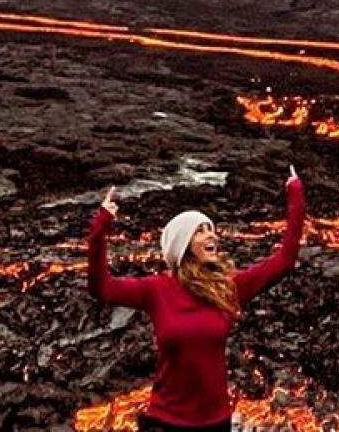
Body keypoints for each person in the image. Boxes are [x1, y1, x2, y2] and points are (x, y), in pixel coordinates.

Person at [87, 165, 306, 431]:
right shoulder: (155, 289)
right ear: (183, 244)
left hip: (215, 423)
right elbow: (102, 287)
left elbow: (285, 260)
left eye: (210, 229)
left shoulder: (228, 287)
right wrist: (100, 227)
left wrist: (295, 193)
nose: (211, 234)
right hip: (164, 422)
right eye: (200, 230)